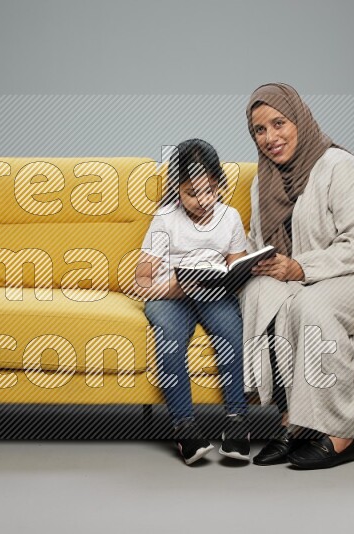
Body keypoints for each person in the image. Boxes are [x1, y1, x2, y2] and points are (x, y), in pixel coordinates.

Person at [240, 83, 354, 470]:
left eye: (279, 123)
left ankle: (340, 434)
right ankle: (294, 421)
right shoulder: (261, 181)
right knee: (261, 294)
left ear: (299, 119)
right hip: (309, 279)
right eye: (259, 131)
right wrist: (250, 264)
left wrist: (300, 268)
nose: (270, 138)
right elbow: (256, 242)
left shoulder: (339, 166)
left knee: (309, 303)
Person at [135, 139, 251, 465]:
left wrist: (230, 275)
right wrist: (172, 287)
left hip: (213, 293)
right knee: (169, 341)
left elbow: (237, 268)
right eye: (191, 193)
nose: (202, 201)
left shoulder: (229, 218)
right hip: (172, 296)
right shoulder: (166, 219)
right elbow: (140, 280)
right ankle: (185, 428)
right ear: (176, 188)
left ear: (220, 185)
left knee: (231, 333)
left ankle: (237, 422)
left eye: (210, 191)